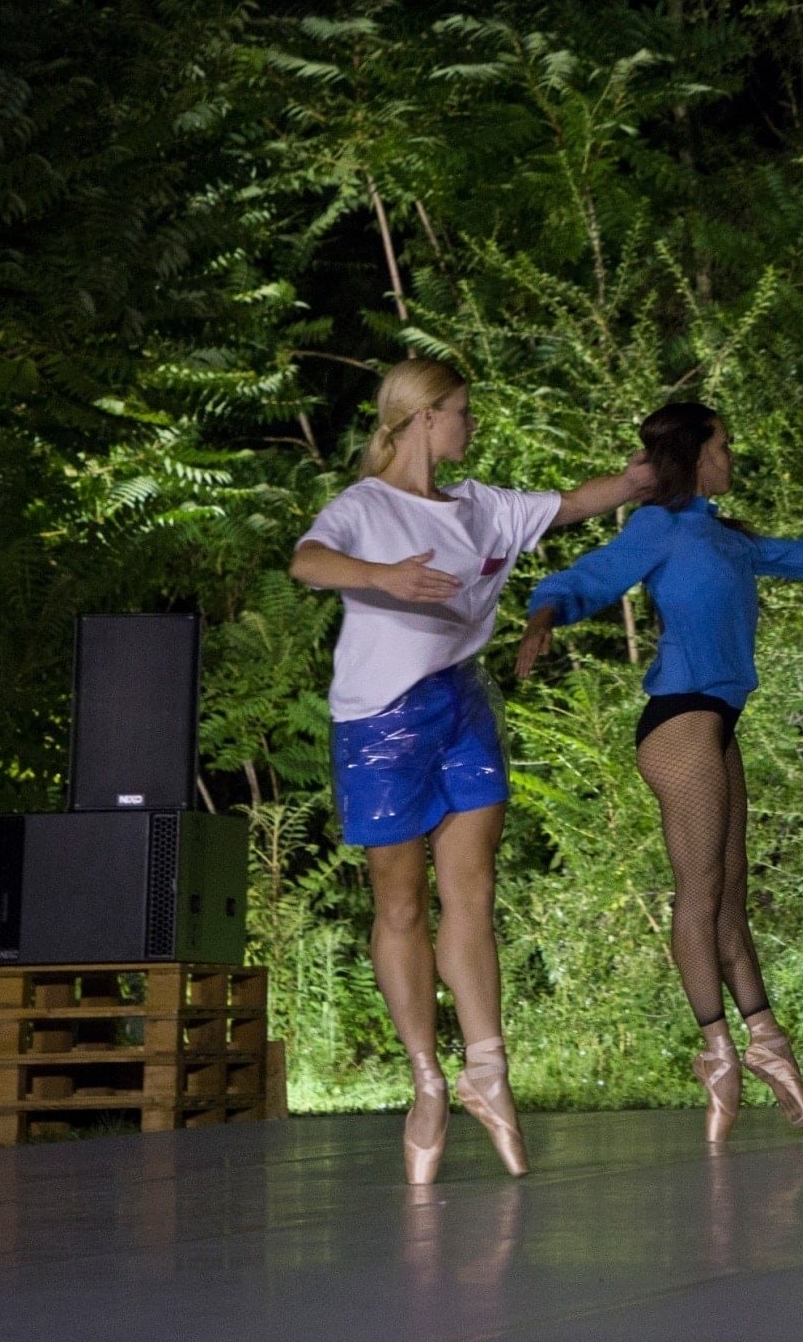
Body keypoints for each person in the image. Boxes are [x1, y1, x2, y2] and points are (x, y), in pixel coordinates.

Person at [517, 402, 803, 1145]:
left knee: (729, 895)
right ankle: (717, 1052)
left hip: (716, 724)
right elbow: (584, 579)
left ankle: (766, 1041)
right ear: (693, 454)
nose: (732, 455)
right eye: (723, 444)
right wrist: (543, 617)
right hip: (679, 719)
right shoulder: (657, 527)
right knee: (699, 895)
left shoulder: (727, 537)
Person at [289, 357, 651, 1184]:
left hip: (462, 706)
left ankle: (487, 1070)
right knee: (401, 902)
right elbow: (308, 562)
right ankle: (426, 1082)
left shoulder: (483, 508)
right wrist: (382, 578)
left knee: (474, 889)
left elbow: (573, 504)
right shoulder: (366, 507)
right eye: (461, 412)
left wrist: (634, 480)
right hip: (380, 721)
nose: (469, 425)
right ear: (423, 419)